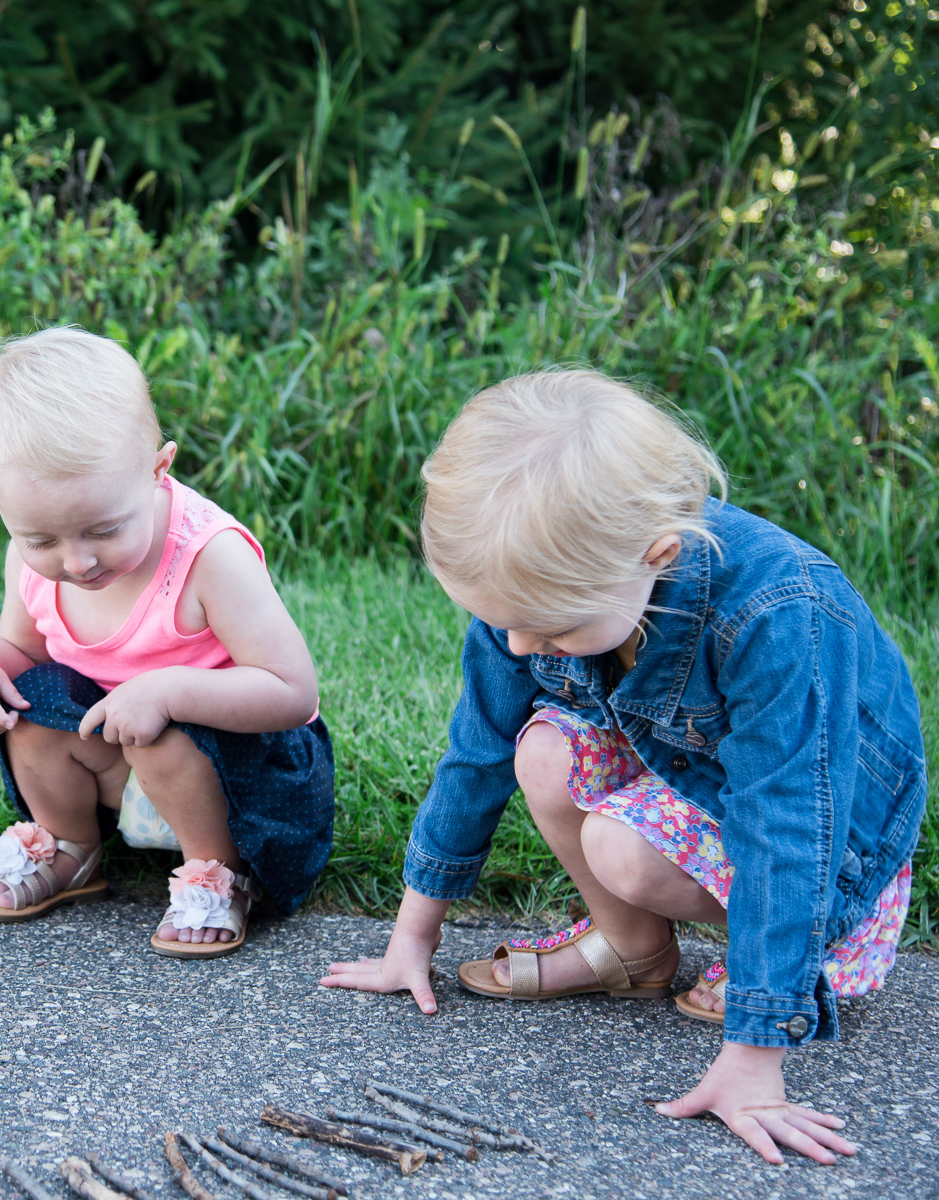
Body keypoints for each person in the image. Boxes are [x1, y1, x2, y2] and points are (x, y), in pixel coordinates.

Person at [321, 370, 925, 1165]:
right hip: (692, 788)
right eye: (502, 622)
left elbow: (791, 827)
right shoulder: (535, 603)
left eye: (551, 628)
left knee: (616, 840)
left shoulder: (779, 615)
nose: (517, 648)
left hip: (832, 860)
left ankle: (780, 964)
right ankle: (632, 950)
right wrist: (411, 938)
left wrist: (756, 1053)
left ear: (658, 555)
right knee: (542, 750)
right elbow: (476, 754)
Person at [0, 326, 335, 958]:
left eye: (103, 529)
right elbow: (22, 651)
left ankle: (218, 873)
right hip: (115, 753)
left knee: (162, 735)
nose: (75, 562)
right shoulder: (30, 564)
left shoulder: (209, 558)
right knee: (27, 704)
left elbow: (293, 692)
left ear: (159, 469)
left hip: (241, 769)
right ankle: (71, 845)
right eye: (41, 539)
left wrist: (168, 691)